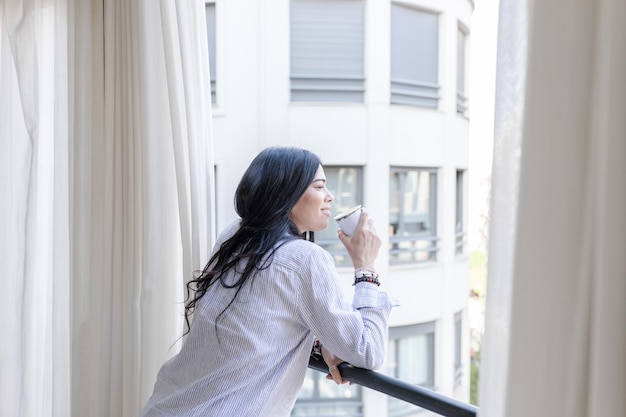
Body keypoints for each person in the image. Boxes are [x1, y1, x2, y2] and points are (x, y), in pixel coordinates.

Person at [139, 146, 398, 417]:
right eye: (320, 187)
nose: (329, 197)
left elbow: (252, 324)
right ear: (288, 194)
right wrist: (365, 266)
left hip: (167, 406)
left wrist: (320, 339)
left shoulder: (236, 235)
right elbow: (368, 352)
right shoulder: (305, 259)